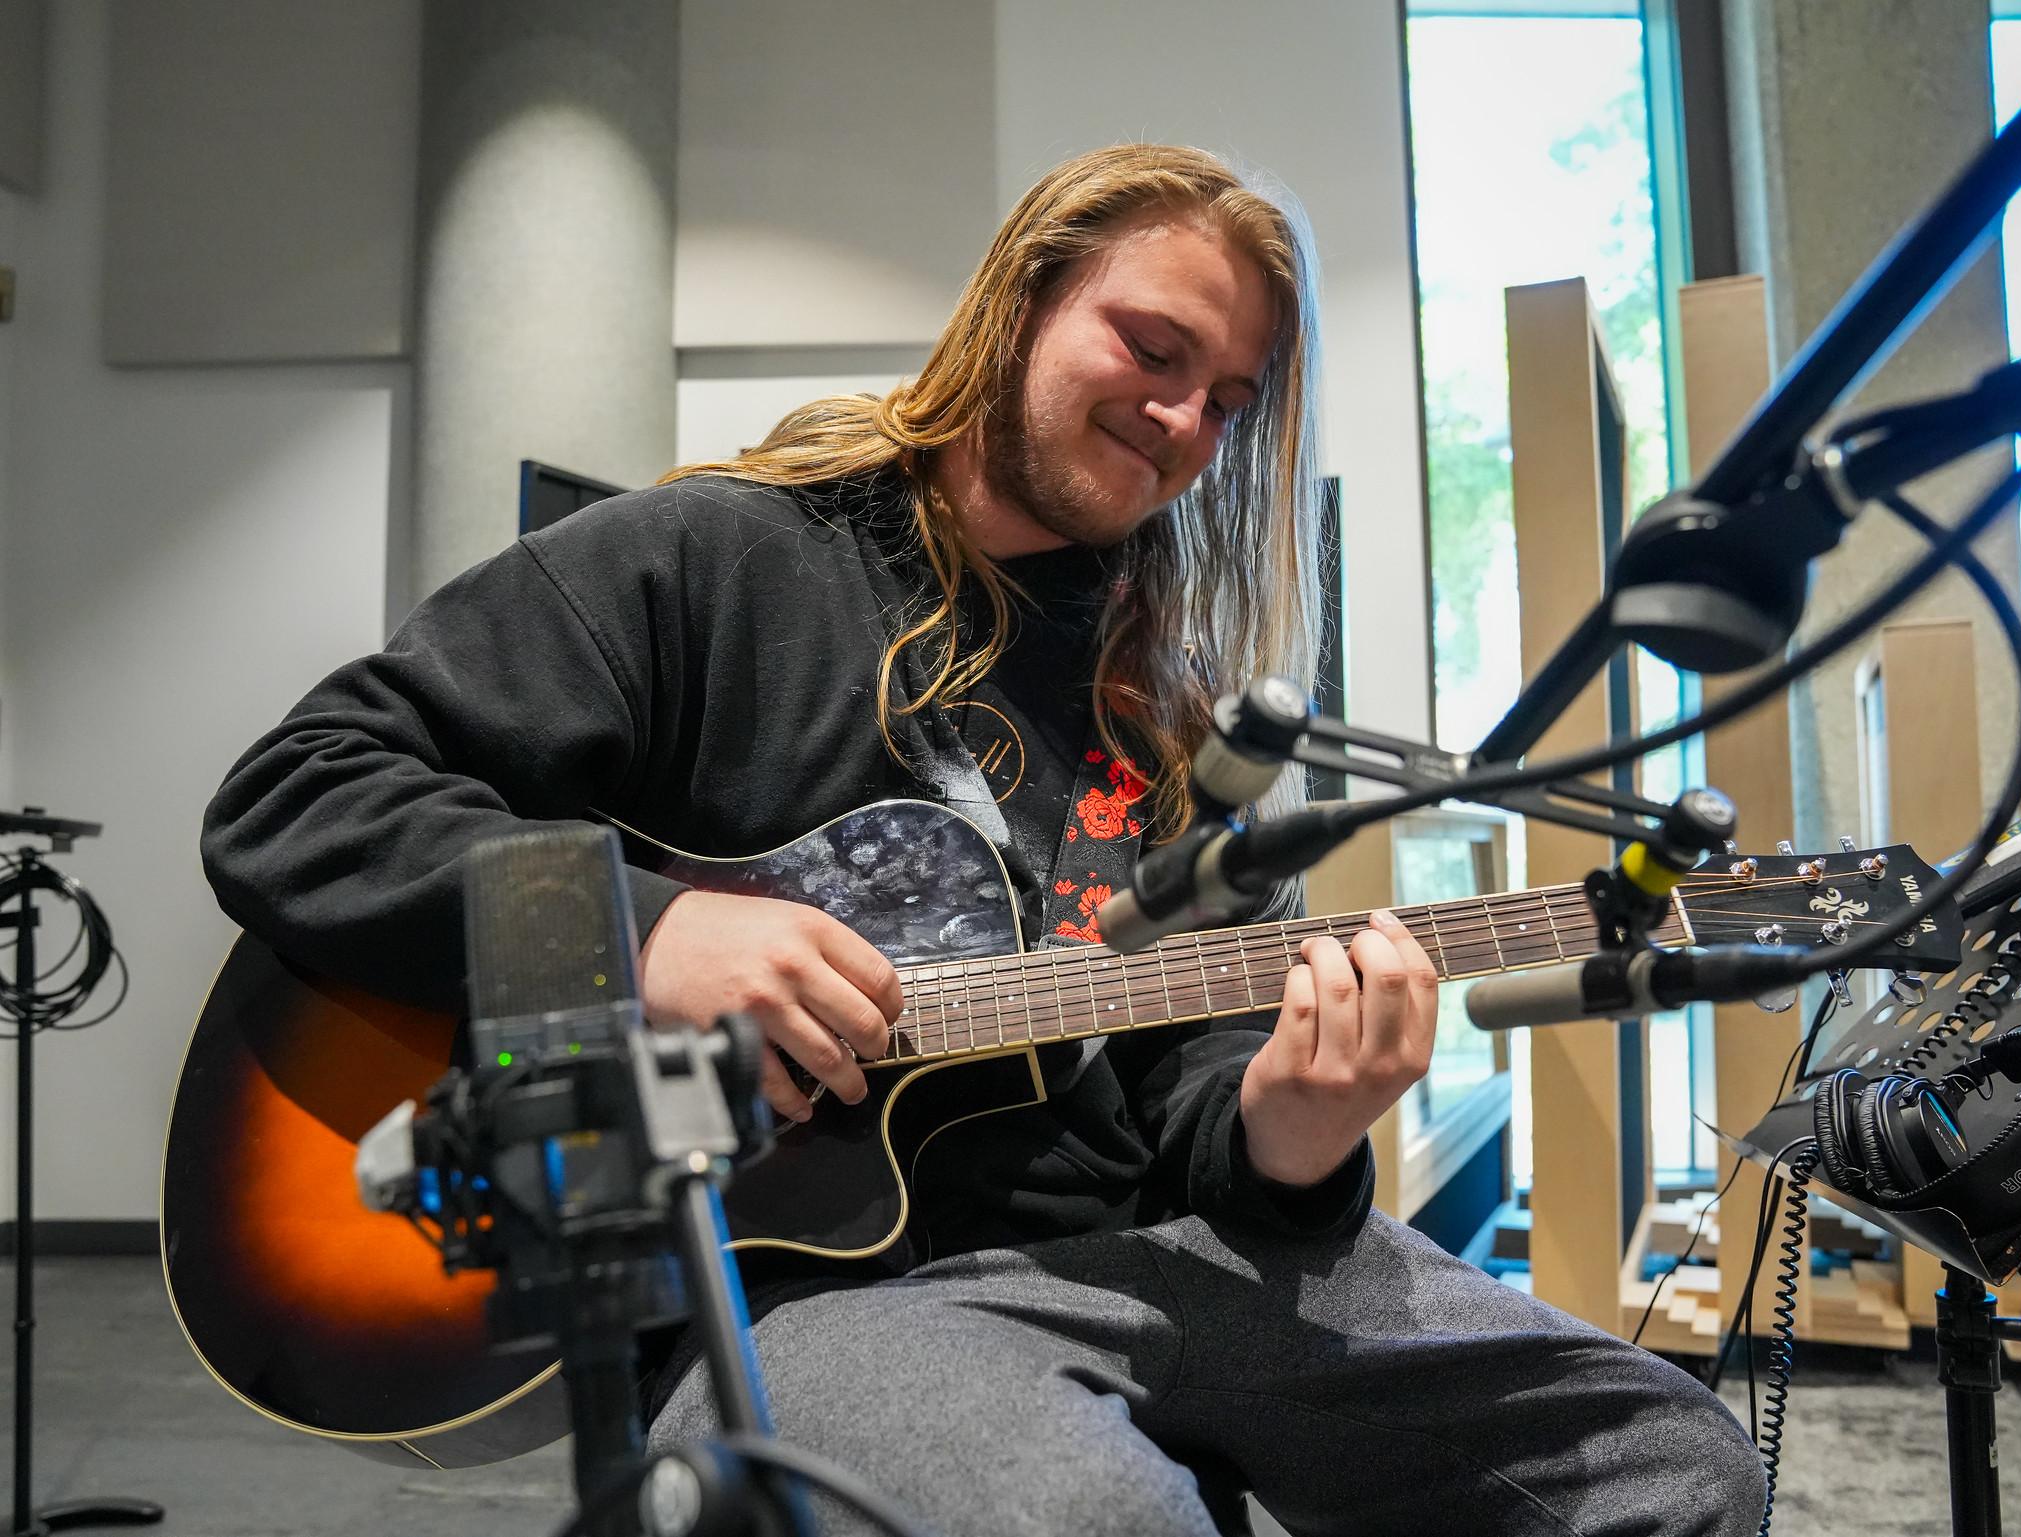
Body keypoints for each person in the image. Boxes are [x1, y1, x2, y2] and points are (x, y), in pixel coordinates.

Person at [202, 144, 1767, 1536]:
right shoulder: (717, 560)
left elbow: (1202, 1105)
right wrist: (653, 928)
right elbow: (302, 794)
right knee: (1089, 1512)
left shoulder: (1179, 718)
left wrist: (1297, 1120)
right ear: (1019, 302)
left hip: (1154, 1259)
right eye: (1154, 350)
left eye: (1226, 401)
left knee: (1669, 1461)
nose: (1182, 421)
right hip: (802, 1292)